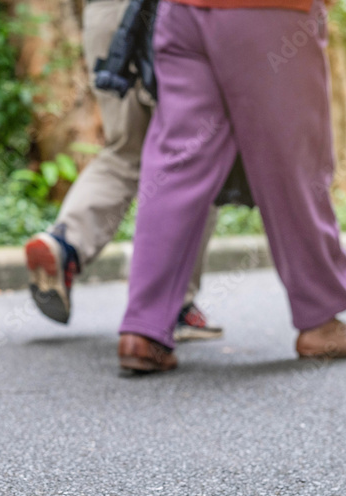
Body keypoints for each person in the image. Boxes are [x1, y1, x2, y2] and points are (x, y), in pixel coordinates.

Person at [117, 0, 346, 372]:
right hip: (268, 10)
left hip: (180, 13)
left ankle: (143, 329)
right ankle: (321, 322)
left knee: (178, 164)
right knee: (293, 162)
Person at [24, 0, 223, 342]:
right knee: (193, 158)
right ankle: (175, 303)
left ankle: (66, 242)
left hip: (104, 15)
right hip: (169, 16)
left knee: (123, 150)